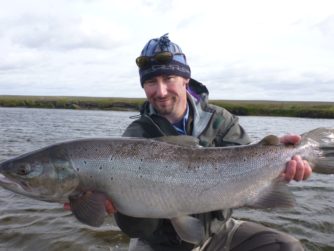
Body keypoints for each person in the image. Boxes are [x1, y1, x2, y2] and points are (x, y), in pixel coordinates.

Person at [66, 34, 312, 250]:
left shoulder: (220, 120)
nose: (160, 91)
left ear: (185, 79)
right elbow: (138, 229)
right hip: (160, 244)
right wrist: (111, 206)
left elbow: (250, 158)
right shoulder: (136, 137)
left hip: (218, 232)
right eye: (151, 82)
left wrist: (280, 159)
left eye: (169, 78)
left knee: (287, 247)